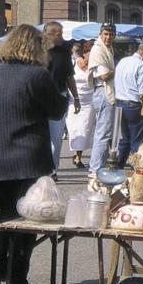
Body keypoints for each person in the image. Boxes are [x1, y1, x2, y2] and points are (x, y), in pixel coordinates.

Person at [0, 25, 68, 284]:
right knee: (27, 220)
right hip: (27, 158)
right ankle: (17, 281)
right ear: (36, 46)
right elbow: (57, 111)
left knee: (3, 216)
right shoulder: (37, 75)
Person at [114, 36, 143, 167]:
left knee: (125, 139)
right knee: (137, 141)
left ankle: (118, 166)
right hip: (133, 105)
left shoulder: (122, 61)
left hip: (120, 104)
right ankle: (138, 169)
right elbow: (142, 92)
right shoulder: (142, 66)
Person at [44, 21, 80, 175]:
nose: (61, 36)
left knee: (56, 138)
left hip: (59, 96)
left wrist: (76, 97)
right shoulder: (37, 50)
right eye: (59, 33)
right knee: (40, 137)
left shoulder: (64, 52)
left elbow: (69, 76)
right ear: (50, 34)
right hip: (39, 98)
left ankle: (52, 171)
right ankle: (40, 170)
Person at [87, 23, 117, 181]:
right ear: (101, 34)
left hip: (105, 92)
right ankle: (95, 170)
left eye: (111, 34)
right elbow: (104, 76)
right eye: (106, 34)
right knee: (103, 134)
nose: (108, 37)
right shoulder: (98, 49)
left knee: (106, 133)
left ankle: (99, 167)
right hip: (102, 91)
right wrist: (116, 70)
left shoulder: (109, 48)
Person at [67, 41, 95, 168]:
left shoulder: (95, 66)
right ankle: (75, 153)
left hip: (89, 101)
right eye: (90, 53)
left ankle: (78, 156)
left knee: (84, 129)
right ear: (84, 53)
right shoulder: (73, 63)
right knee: (74, 129)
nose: (92, 56)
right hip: (73, 101)